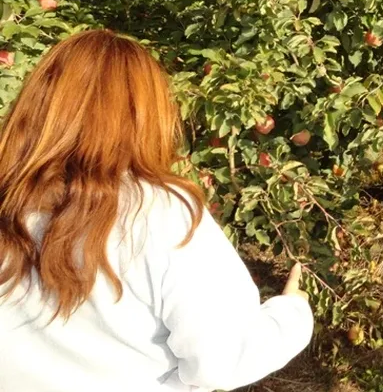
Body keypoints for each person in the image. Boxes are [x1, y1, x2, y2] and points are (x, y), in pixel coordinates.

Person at [0, 30, 314, 392]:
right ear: (146, 115)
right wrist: (291, 315)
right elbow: (220, 361)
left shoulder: (10, 202)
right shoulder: (161, 214)